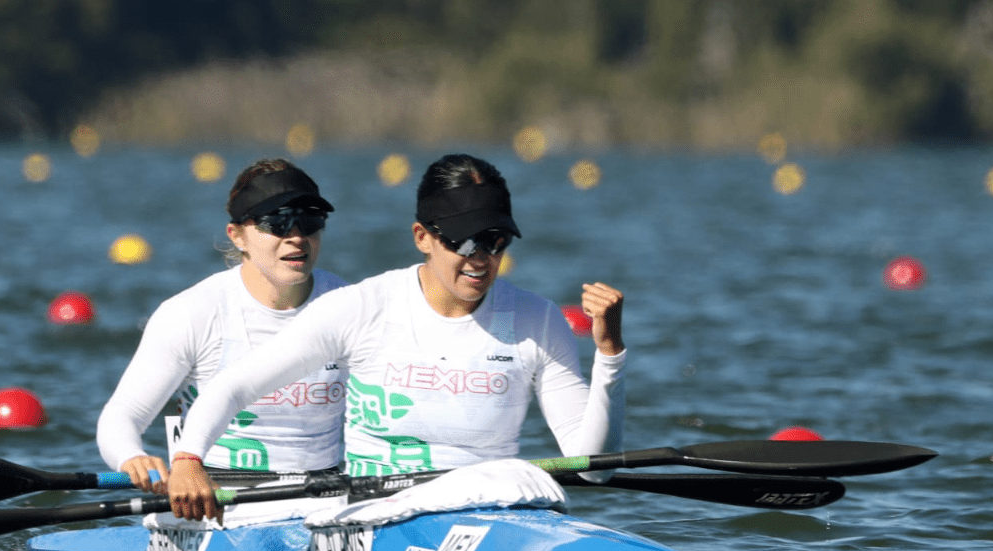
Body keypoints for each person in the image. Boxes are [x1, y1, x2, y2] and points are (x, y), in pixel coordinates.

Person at [167, 153, 626, 521]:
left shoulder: (537, 321)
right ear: (422, 237)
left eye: (495, 241)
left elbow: (593, 467)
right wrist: (188, 461)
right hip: (378, 513)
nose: (481, 258)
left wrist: (609, 354)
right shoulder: (364, 308)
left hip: (491, 505)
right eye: (464, 242)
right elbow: (233, 387)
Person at [96, 159, 348, 520]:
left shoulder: (350, 306)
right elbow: (123, 415)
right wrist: (131, 457)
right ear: (237, 235)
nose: (296, 236)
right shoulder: (193, 313)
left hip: (326, 497)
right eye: (276, 222)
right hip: (218, 500)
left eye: (309, 221)